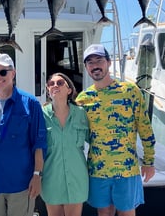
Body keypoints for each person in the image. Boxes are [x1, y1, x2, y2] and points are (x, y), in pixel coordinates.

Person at [76, 44, 156, 216]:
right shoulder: (83, 99)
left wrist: (149, 162)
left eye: (99, 60)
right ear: (86, 67)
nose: (95, 65)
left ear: (109, 62)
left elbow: (145, 127)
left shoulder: (130, 91)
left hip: (127, 169)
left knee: (127, 213)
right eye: (90, 62)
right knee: (104, 213)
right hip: (98, 169)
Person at [0, 53, 47, 216]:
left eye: (3, 72)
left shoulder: (30, 103)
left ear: (13, 73)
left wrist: (37, 175)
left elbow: (39, 143)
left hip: (21, 184)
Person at [41, 73, 89, 216]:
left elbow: (95, 141)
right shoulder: (41, 115)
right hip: (51, 178)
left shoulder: (81, 114)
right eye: (51, 83)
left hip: (77, 178)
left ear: (69, 90)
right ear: (48, 90)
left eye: (60, 83)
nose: (55, 86)